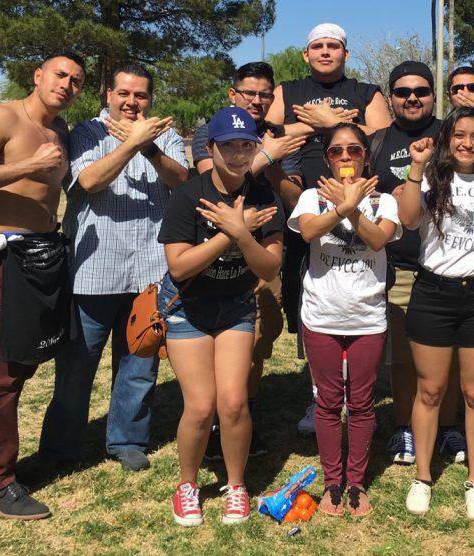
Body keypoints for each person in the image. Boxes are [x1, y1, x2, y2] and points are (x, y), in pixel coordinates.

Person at [0, 52, 86, 519]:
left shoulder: (60, 131)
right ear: (38, 75)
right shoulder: (1, 118)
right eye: (60, 74)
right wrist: (26, 166)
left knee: (20, 363)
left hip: (41, 254)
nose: (66, 84)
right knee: (0, 369)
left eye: (76, 80)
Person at [39, 64, 189, 473]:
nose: (132, 102)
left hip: (149, 271)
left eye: (140, 95)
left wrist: (150, 147)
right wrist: (131, 144)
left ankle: (127, 439)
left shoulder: (167, 136)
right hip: (93, 270)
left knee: (140, 361)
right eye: (124, 93)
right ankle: (61, 447)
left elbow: (182, 180)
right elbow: (88, 181)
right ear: (108, 94)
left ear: (150, 99)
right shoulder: (87, 133)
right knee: (76, 367)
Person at [158, 106, 285, 526]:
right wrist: (231, 231)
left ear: (255, 148)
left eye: (246, 145)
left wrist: (243, 233)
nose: (237, 154)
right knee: (200, 406)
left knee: (232, 403)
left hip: (234, 306)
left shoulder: (264, 195)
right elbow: (179, 267)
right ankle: (188, 485)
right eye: (228, 145)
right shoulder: (188, 195)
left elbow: (268, 268)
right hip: (187, 308)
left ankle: (235, 485)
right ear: (210, 148)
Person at [266, 23, 392, 435]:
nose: (324, 52)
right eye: (317, 46)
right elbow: (267, 133)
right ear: (305, 54)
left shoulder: (365, 90)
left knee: (355, 295)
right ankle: (320, 393)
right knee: (308, 298)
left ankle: (358, 396)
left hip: (363, 202)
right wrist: (322, 124)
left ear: (345, 54)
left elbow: (384, 135)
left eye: (333, 46)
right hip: (306, 203)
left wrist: (336, 124)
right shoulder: (289, 89)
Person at [398, 107, 474, 521]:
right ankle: (423, 476)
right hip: (433, 292)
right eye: (460, 135)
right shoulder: (431, 178)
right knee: (429, 391)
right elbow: (409, 220)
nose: (467, 143)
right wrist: (416, 169)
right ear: (447, 137)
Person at [191, 62, 304, 459]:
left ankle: (242, 415)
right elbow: (214, 188)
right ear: (232, 94)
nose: (256, 100)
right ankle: (216, 423)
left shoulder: (276, 136)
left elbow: (293, 199)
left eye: (264, 94)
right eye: (248, 92)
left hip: (264, 253)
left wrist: (271, 160)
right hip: (213, 257)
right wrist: (262, 156)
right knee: (214, 342)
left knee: (258, 340)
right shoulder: (212, 130)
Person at [289, 123, 400, 516]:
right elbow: (308, 232)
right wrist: (341, 207)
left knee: (363, 403)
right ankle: (332, 481)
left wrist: (353, 206)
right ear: (327, 159)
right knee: (328, 402)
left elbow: (377, 239)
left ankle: (356, 482)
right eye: (337, 152)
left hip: (367, 317)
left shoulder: (384, 201)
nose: (346, 158)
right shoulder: (310, 197)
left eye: (354, 150)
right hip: (321, 316)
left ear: (366, 157)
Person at [368, 61, 467, 466]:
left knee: (454, 355)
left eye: (421, 91)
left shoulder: (453, 134)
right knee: (404, 357)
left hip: (449, 264)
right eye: (403, 92)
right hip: (398, 266)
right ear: (390, 97)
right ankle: (405, 427)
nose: (412, 98)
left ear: (433, 95)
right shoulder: (374, 141)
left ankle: (448, 427)